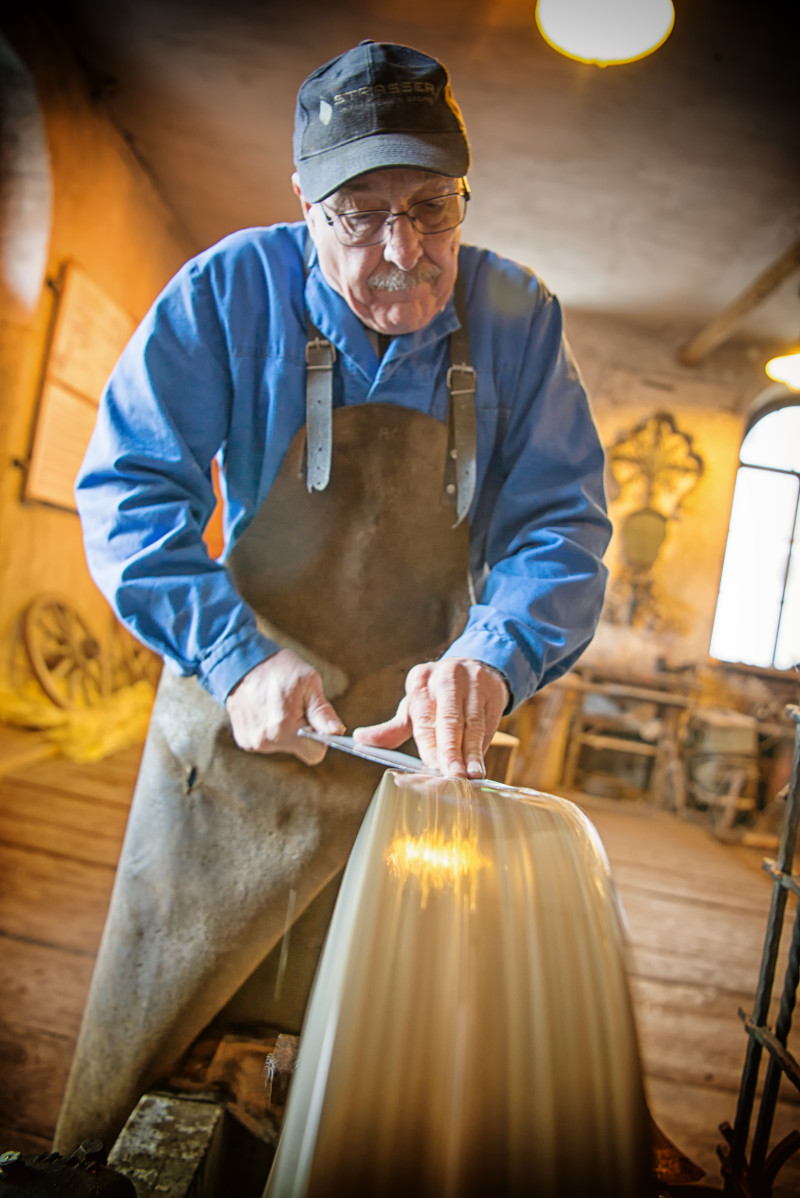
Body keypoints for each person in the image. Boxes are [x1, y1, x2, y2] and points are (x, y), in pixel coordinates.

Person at [54, 40, 611, 1154]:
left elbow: (557, 526)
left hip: (409, 772)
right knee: (141, 1089)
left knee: (359, 1095)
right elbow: (128, 491)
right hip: (228, 758)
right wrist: (234, 656)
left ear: (462, 196)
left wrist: (491, 658)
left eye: (430, 207)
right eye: (358, 213)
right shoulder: (226, 292)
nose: (401, 251)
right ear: (300, 199)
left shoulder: (516, 321)